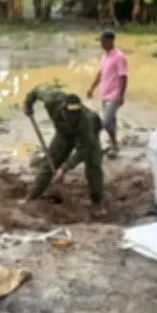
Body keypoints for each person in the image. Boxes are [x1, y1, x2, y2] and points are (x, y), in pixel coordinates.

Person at [20, 84, 105, 216]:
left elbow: (83, 149)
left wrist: (64, 169)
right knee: (50, 162)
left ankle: (97, 202)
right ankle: (32, 196)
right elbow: (36, 91)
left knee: (93, 165)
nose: (72, 120)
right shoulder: (51, 99)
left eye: (74, 117)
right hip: (63, 134)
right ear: (62, 109)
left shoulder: (86, 120)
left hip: (87, 135)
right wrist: (28, 103)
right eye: (69, 116)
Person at [86, 29, 128, 158]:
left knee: (105, 122)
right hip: (104, 94)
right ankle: (114, 145)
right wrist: (92, 88)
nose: (101, 44)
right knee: (111, 122)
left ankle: (93, 146)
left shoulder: (119, 57)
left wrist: (121, 95)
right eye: (101, 41)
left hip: (114, 95)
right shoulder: (105, 56)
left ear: (110, 41)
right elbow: (100, 73)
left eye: (103, 41)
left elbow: (124, 77)